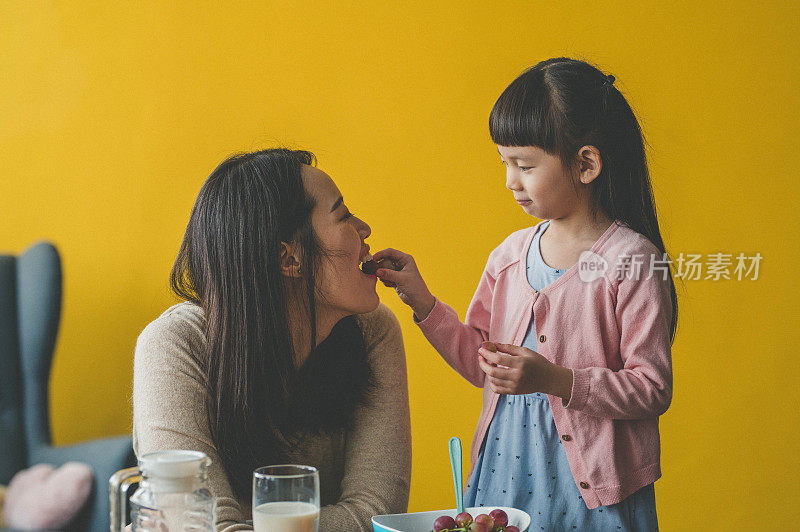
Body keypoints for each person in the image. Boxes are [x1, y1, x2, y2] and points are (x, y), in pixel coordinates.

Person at [373, 58, 677, 530]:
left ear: (586, 164)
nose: (510, 181)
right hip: (506, 468)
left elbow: (651, 388)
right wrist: (422, 300)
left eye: (525, 165)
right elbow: (482, 363)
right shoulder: (511, 255)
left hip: (593, 492)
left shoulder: (631, 260)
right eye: (505, 163)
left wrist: (556, 380)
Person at [132, 148, 411, 531]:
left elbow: (379, 516)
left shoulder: (373, 330)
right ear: (289, 258)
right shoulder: (174, 344)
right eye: (343, 216)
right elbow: (202, 527)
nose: (364, 229)